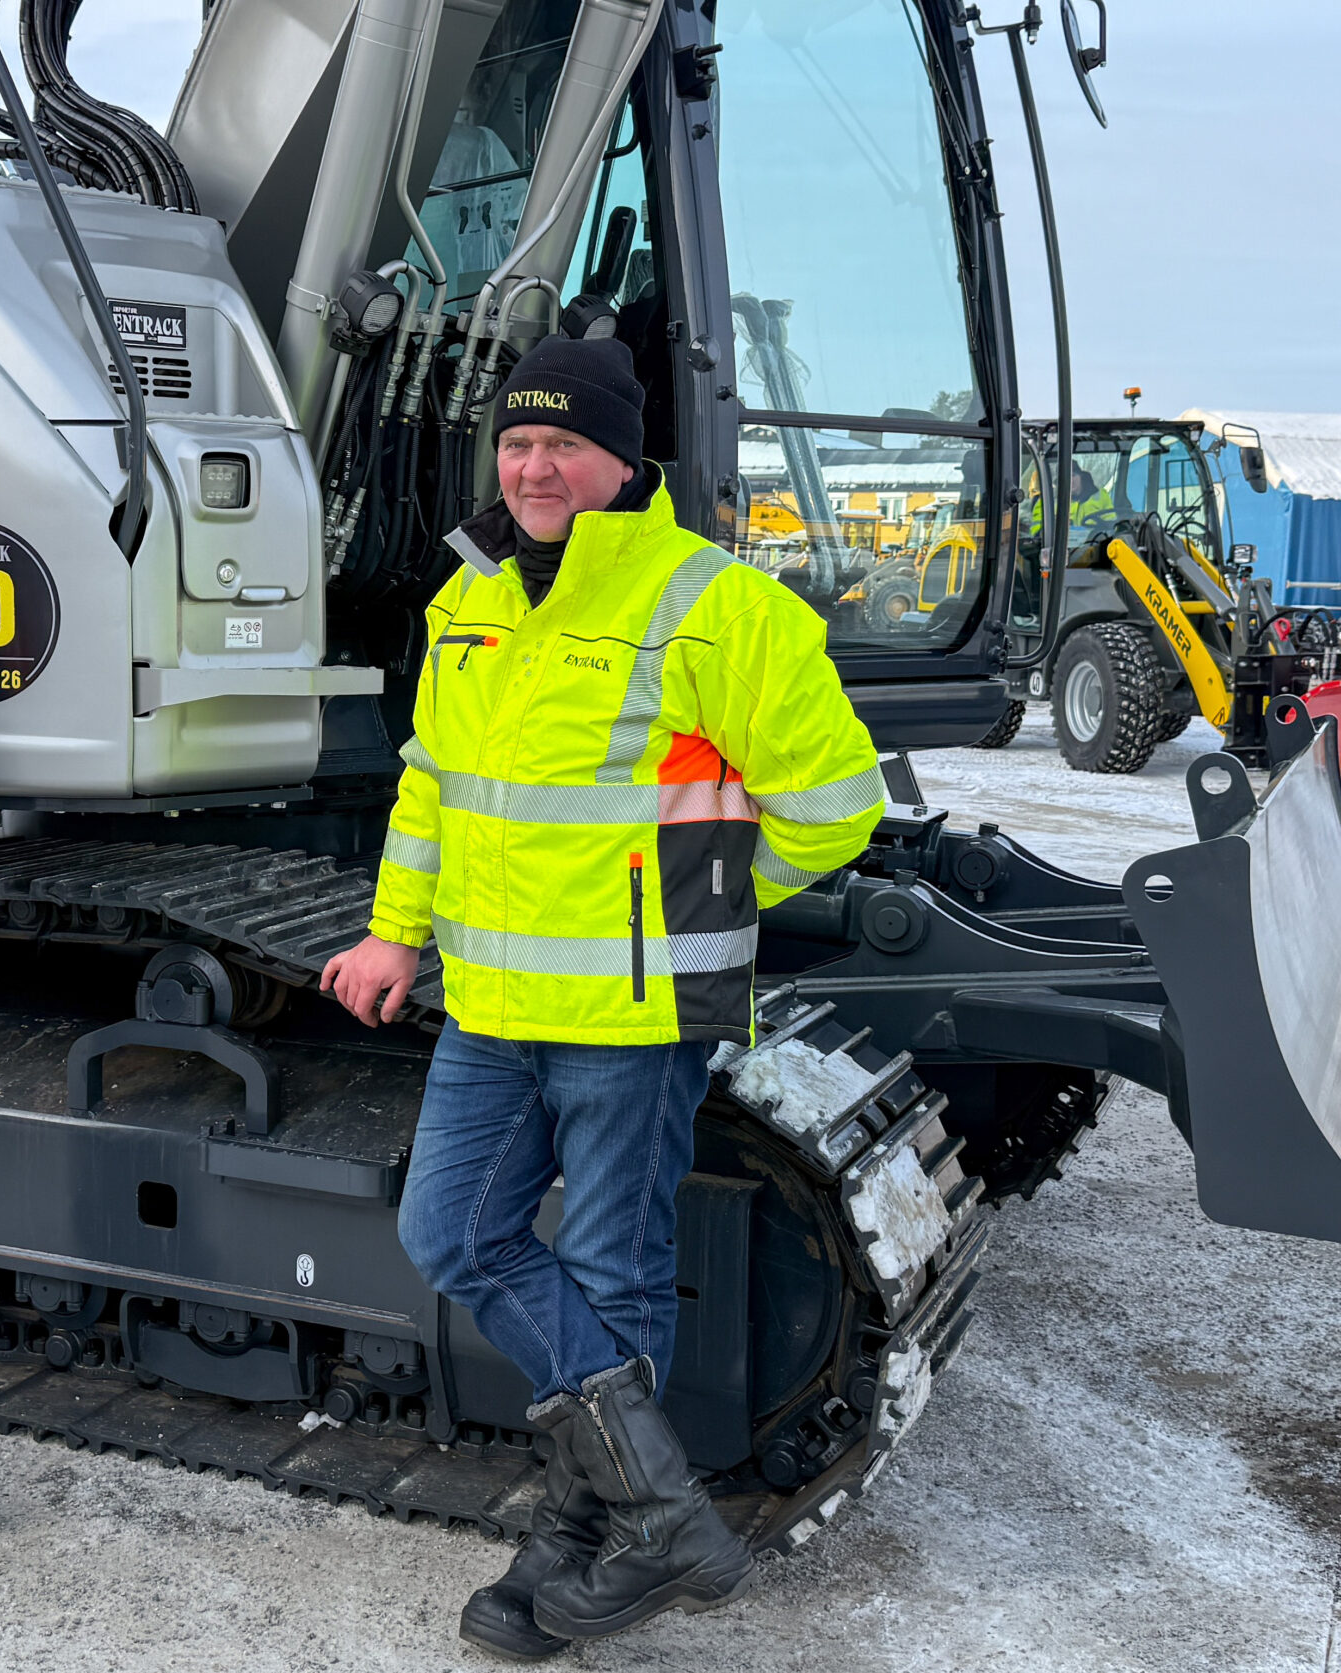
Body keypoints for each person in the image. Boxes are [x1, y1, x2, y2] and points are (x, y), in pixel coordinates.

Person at [319, 335, 884, 1657]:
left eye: (561, 444)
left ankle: (586, 1536)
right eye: (516, 443)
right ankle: (661, 1511)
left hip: (630, 1019)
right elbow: (435, 786)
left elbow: (836, 803)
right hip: (491, 1005)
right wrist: (395, 935)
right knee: (451, 1229)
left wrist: (689, 914)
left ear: (624, 460)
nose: (533, 466)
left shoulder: (715, 604)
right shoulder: (472, 598)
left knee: (613, 1268)